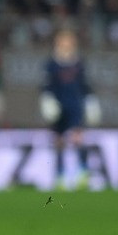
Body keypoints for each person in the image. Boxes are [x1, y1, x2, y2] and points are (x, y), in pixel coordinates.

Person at [40, 28, 100, 190]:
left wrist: (90, 101)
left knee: (78, 138)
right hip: (58, 107)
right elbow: (46, 85)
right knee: (59, 141)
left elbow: (85, 84)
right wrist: (47, 100)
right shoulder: (52, 63)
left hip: (75, 105)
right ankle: (60, 175)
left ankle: (83, 173)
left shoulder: (78, 62)